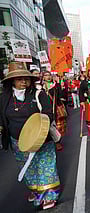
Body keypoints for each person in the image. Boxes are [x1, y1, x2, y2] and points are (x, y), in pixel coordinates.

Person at [0, 63, 60, 210]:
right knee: (29, 169)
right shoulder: (4, 98)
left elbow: (49, 114)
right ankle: (37, 191)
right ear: (12, 81)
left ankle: (50, 195)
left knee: (45, 167)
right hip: (18, 142)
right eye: (19, 79)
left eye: (26, 78)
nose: (23, 82)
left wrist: (38, 129)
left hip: (42, 140)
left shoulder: (39, 94)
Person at [42, 71, 66, 151]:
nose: (48, 77)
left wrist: (62, 87)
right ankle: (52, 141)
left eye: (49, 75)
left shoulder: (56, 85)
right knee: (49, 126)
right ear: (43, 77)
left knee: (57, 126)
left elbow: (61, 95)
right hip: (45, 109)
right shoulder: (40, 88)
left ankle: (57, 141)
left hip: (55, 108)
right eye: (46, 75)